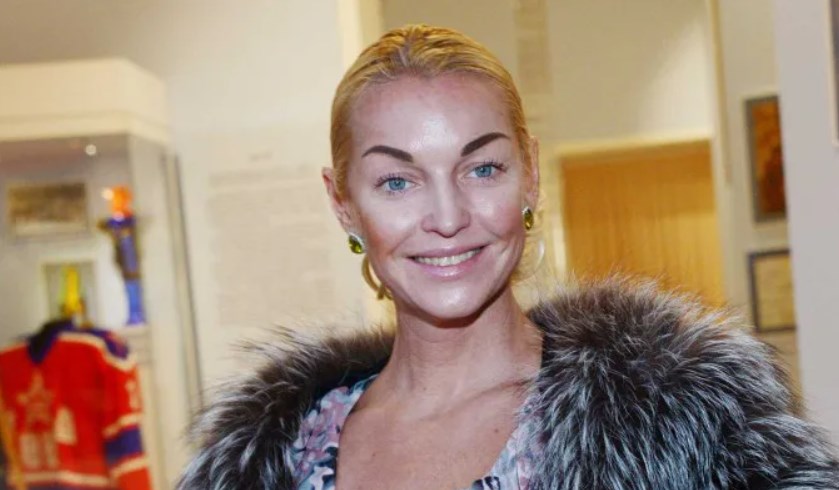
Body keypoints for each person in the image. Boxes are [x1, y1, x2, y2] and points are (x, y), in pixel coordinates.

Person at [178, 25, 839, 489]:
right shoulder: (281, 451)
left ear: (530, 175)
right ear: (342, 203)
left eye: (483, 168)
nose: (447, 218)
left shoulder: (681, 415)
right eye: (397, 181)